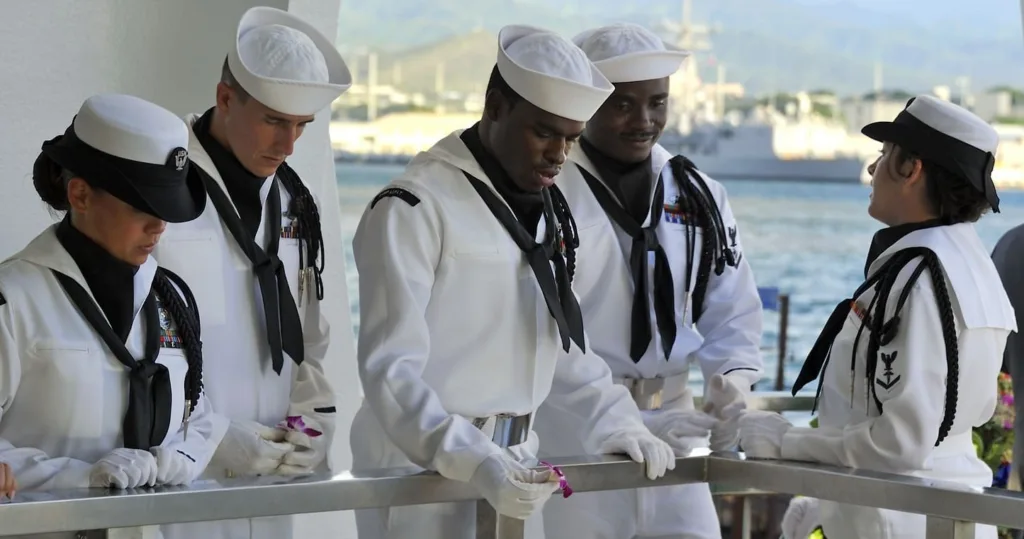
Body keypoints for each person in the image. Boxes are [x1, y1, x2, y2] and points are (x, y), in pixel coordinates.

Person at [349, 24, 676, 539]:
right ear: (496, 107)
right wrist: (473, 458)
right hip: (420, 469)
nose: (559, 155)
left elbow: (562, 344)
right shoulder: (415, 207)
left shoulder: (547, 209)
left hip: (518, 463)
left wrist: (617, 421)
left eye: (571, 138)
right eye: (544, 133)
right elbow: (390, 371)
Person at [740, 94, 1017, 539]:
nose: (872, 169)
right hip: (943, 510)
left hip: (896, 516)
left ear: (911, 169)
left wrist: (785, 441)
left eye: (884, 154)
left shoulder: (919, 277)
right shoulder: (970, 265)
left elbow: (900, 444)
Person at [529, 22, 765, 539]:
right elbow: (543, 332)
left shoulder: (698, 192)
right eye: (622, 104)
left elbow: (733, 306)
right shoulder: (545, 193)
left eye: (657, 102)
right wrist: (616, 417)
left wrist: (732, 381)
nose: (644, 121)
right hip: (575, 428)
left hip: (677, 427)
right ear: (587, 103)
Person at [151, 6, 351, 539]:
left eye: (302, 126)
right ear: (225, 98)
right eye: (274, 121)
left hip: (275, 473)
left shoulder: (295, 201)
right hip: (182, 471)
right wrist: (211, 436)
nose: (289, 146)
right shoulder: (156, 193)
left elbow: (309, 333)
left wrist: (315, 418)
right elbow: (134, 344)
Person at [0, 93, 227, 537]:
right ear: (80, 194)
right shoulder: (14, 299)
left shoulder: (172, 300)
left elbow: (199, 413)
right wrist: (80, 480)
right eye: (142, 207)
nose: (159, 227)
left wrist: (178, 460)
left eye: (166, 208)